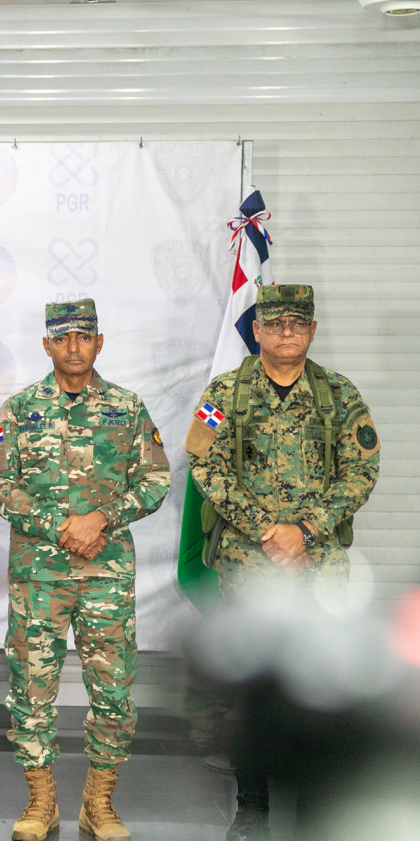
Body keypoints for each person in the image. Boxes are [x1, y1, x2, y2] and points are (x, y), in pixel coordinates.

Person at [185, 284, 380, 841]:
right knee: (251, 688)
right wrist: (267, 531)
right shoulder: (225, 392)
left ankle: (318, 807)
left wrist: (305, 531)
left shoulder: (339, 394)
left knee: (324, 683)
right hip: (248, 563)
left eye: (297, 323)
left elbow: (362, 471)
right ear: (258, 331)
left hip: (319, 564)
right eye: (275, 324)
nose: (286, 332)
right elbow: (203, 463)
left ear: (312, 330)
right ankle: (252, 808)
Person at [0, 298, 169, 841]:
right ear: (46, 344)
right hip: (38, 577)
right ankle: (41, 803)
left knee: (113, 692)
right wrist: (59, 525)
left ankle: (99, 803)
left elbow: (156, 479)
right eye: (62, 338)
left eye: (83, 336)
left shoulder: (127, 408)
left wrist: (101, 519)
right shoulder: (20, 408)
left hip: (106, 576)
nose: (73, 347)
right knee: (31, 691)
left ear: (99, 342)